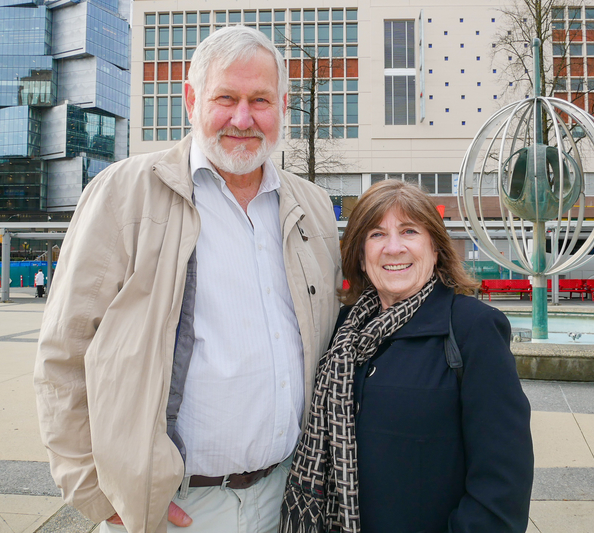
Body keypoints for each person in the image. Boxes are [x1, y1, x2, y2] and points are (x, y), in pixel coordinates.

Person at [34, 26, 342, 533]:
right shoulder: (124, 194)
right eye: (226, 98)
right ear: (191, 99)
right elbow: (63, 354)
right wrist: (96, 491)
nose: (243, 119)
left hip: (289, 497)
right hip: (177, 511)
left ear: (283, 105)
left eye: (260, 100)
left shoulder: (310, 206)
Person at [281, 180, 533, 533]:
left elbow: (502, 484)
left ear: (435, 248)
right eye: (376, 234)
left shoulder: (472, 328)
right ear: (359, 254)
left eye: (409, 231)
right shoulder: (340, 331)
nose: (393, 248)